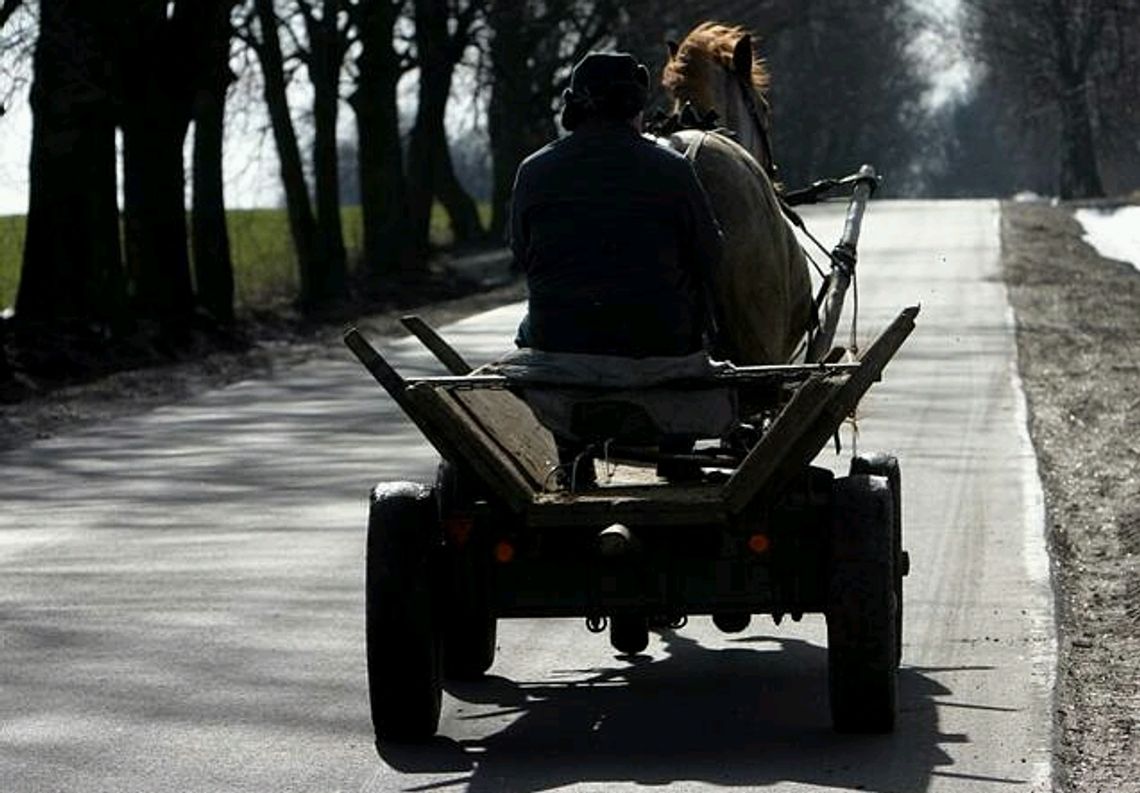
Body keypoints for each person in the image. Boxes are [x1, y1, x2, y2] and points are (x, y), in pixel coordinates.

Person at [507, 52, 724, 483]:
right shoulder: (673, 170)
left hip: (559, 351)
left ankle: (572, 454)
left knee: (532, 326)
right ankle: (675, 453)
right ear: (637, 108)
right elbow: (712, 256)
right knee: (698, 311)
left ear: (575, 104)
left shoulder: (533, 171)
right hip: (662, 351)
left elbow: (521, 254)